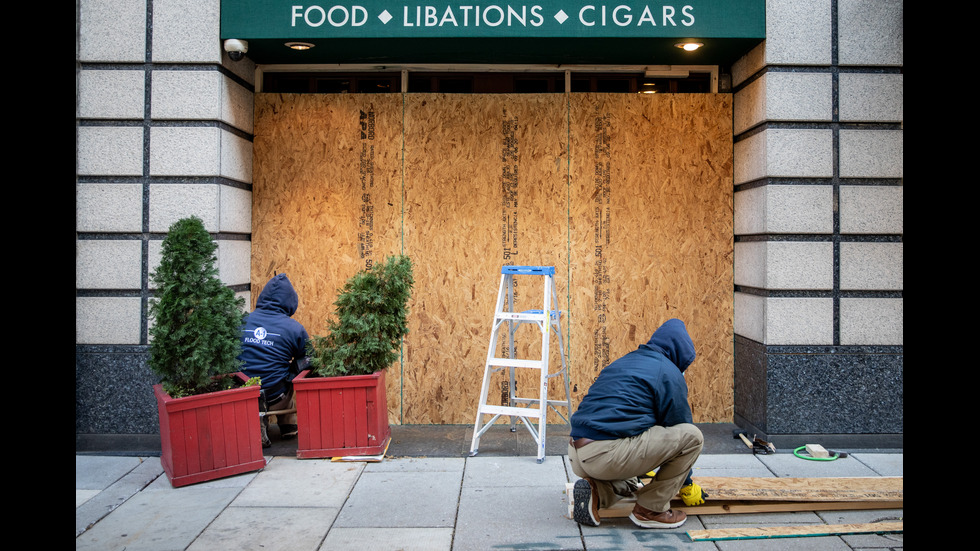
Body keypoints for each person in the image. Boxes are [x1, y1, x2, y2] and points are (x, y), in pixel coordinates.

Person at [568, 318, 706, 529]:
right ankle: (651, 510)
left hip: (578, 454)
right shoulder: (668, 373)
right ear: (680, 353)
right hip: (607, 455)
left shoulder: (628, 360)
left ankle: (595, 491)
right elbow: (681, 429)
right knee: (693, 437)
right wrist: (685, 483)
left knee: (633, 483)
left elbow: (628, 415)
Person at [239, 273, 310, 448]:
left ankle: (258, 418)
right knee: (291, 374)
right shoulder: (294, 329)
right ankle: (288, 425)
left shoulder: (242, 322)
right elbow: (309, 359)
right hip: (276, 397)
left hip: (243, 396)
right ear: (291, 302)